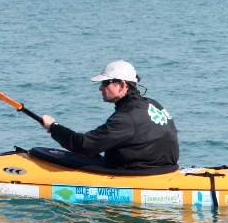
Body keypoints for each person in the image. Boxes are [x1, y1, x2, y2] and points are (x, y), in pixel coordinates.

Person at [40, 60, 179, 170]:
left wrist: (53, 127)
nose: (100, 88)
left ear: (122, 85)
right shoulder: (153, 104)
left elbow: (83, 145)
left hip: (138, 173)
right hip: (164, 169)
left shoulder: (127, 117)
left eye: (106, 83)